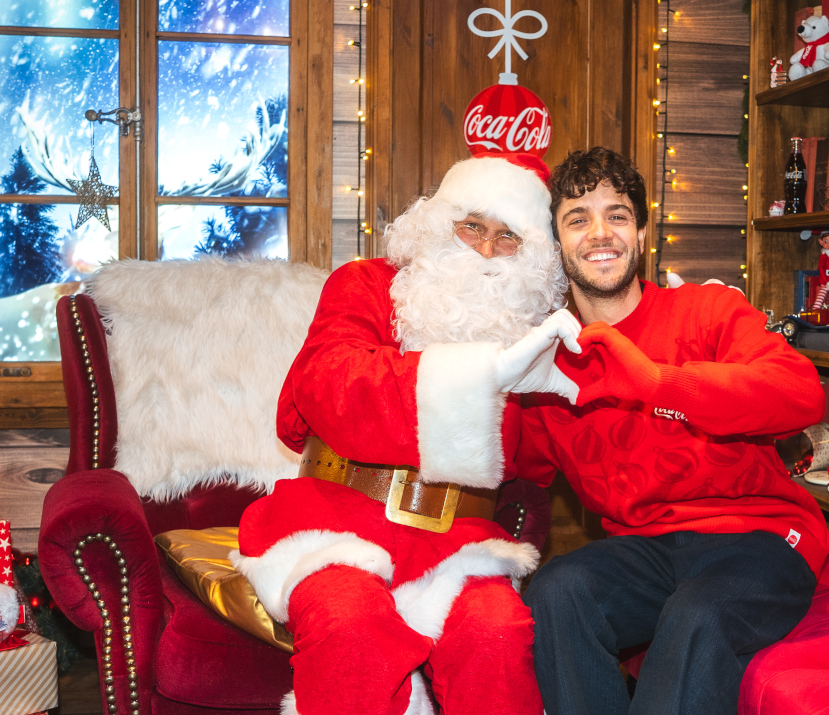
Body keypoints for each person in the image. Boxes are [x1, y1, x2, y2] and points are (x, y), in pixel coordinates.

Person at [233, 153, 582, 715]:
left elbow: (548, 457)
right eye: (472, 227)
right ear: (439, 223)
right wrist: (481, 375)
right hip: (334, 522)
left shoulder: (527, 334)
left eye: (508, 237)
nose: (485, 250)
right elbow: (327, 384)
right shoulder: (366, 285)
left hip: (458, 541)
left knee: (496, 631)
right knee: (350, 623)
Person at [517, 147, 829, 715]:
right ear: (557, 242)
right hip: (644, 550)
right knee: (557, 590)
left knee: (697, 616)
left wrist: (660, 382)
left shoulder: (706, 311)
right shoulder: (548, 366)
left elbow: (801, 392)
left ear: (641, 232)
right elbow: (517, 475)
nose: (600, 233)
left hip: (759, 538)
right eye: (577, 219)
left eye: (617, 215)